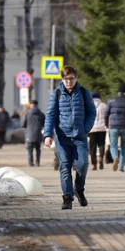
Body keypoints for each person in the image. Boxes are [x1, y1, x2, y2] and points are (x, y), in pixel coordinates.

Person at [43, 65, 96, 210]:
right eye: (66, 79)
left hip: (80, 137)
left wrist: (85, 128)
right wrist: (48, 134)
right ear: (62, 79)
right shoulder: (57, 93)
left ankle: (79, 189)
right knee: (65, 167)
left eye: (71, 78)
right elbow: (50, 114)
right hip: (62, 138)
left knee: (82, 165)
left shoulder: (84, 92)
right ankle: (67, 197)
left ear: (76, 78)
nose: (69, 81)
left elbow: (92, 112)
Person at [104, 83, 125, 172]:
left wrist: (106, 123)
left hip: (113, 126)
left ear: (118, 92)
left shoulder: (111, 101)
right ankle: (121, 166)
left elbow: (106, 113)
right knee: (124, 146)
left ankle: (115, 157)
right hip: (124, 126)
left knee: (113, 145)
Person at [21, 99, 46, 167]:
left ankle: (30, 163)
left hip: (29, 134)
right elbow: (45, 124)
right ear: (37, 105)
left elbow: (23, 124)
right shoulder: (41, 114)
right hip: (38, 134)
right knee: (38, 149)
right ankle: (37, 162)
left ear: (31, 105)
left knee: (30, 150)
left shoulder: (27, 113)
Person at [89, 92, 108, 170]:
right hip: (102, 128)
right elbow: (107, 116)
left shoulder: (89, 105)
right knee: (101, 144)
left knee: (92, 147)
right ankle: (101, 158)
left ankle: (94, 164)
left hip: (92, 129)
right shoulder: (104, 105)